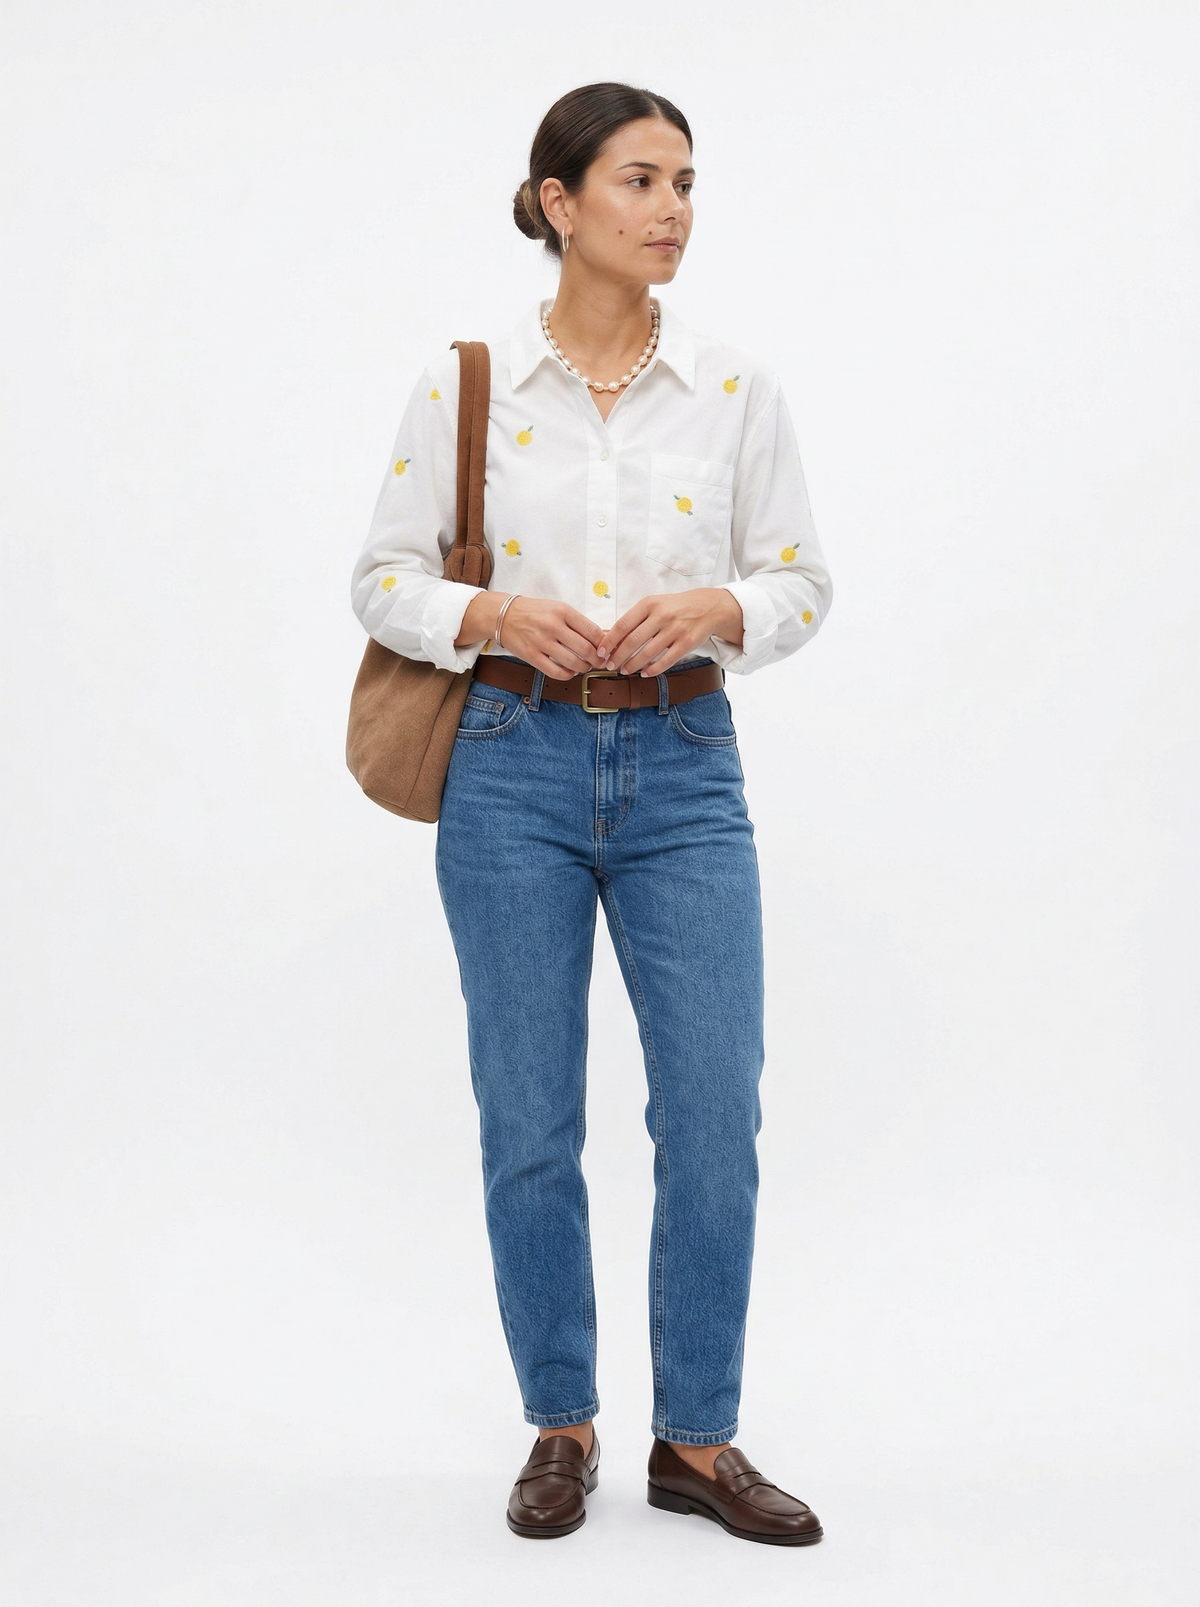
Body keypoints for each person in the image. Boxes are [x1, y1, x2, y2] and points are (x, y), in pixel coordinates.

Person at [350, 82, 832, 1545]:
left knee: (715, 1113)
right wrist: (492, 613)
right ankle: (560, 1423)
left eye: (685, 182)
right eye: (640, 180)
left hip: (686, 764)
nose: (673, 208)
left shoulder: (736, 390)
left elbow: (804, 582)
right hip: (511, 764)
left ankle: (698, 1440)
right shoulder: (469, 384)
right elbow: (380, 581)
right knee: (528, 1117)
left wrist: (725, 609)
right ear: (560, 203)